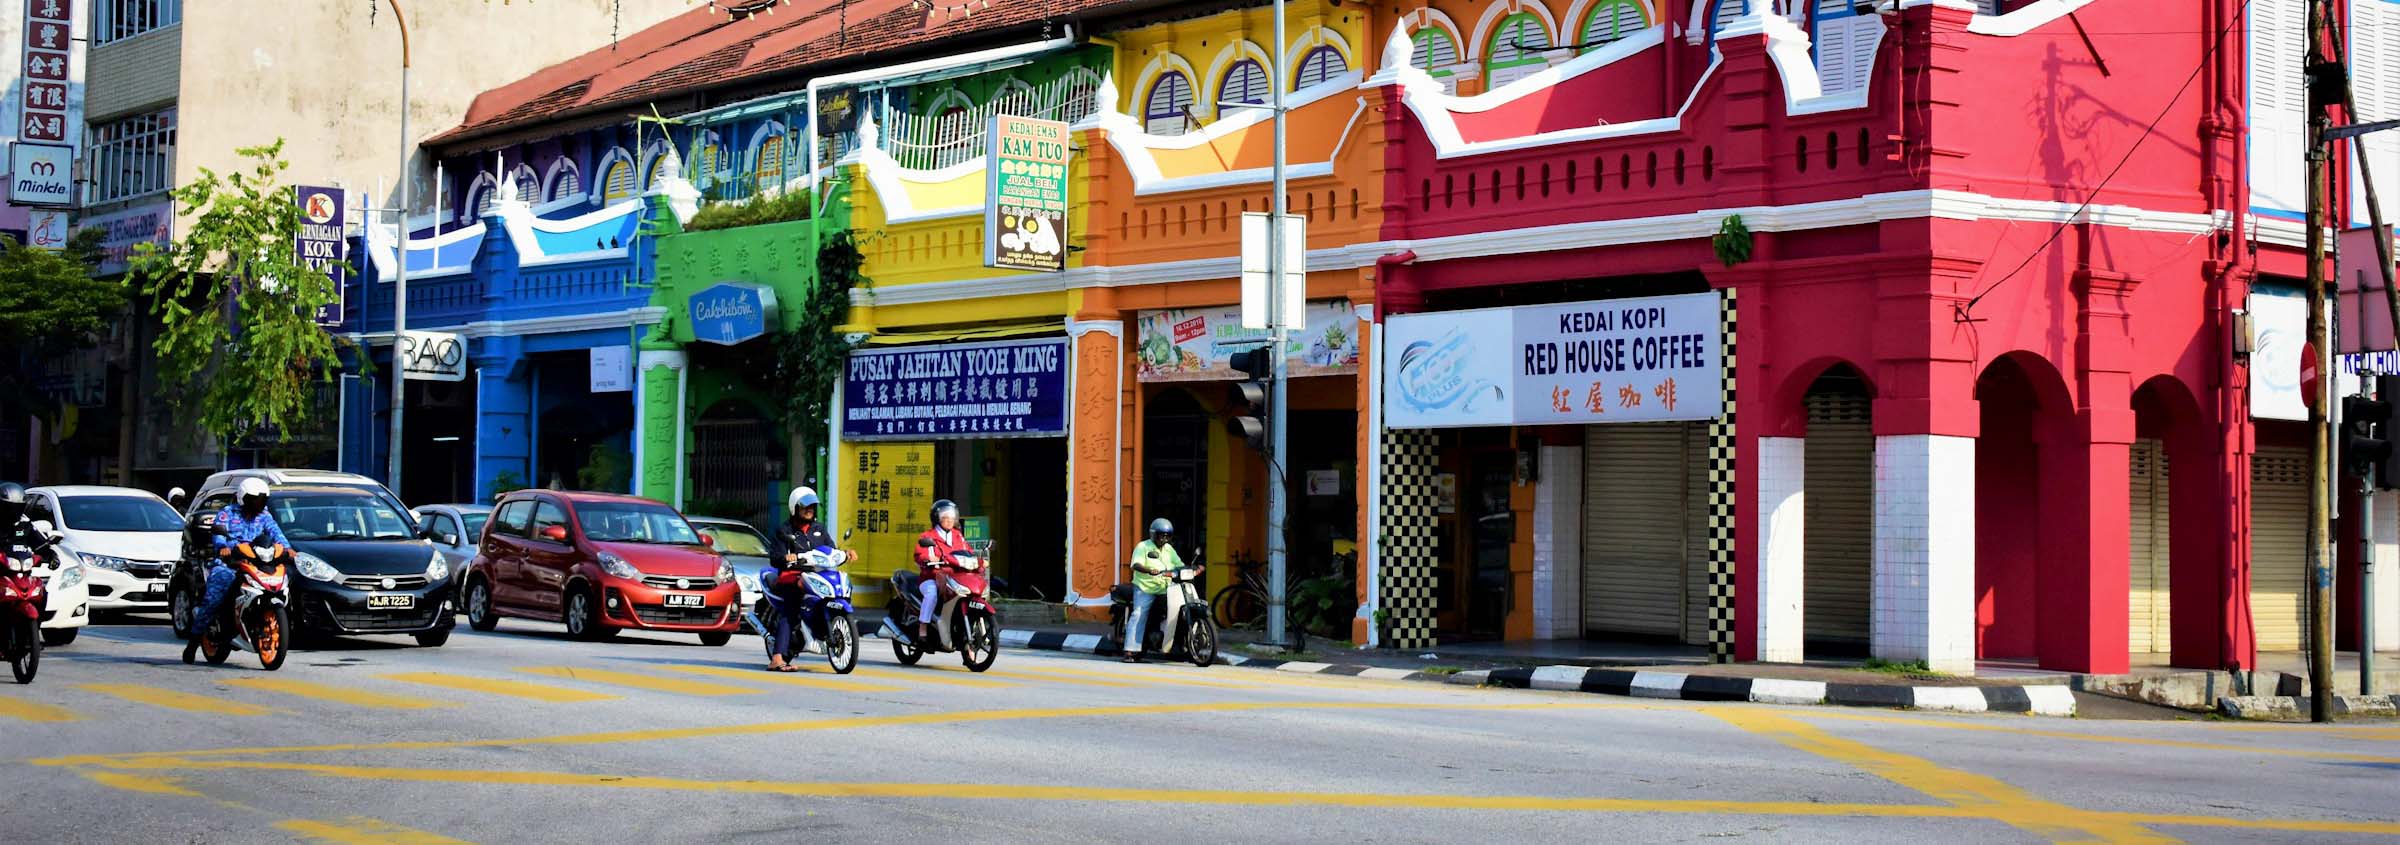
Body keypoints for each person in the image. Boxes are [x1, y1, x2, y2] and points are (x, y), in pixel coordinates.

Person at [186, 478, 289, 661]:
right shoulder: (228, 513)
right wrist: (222, 547)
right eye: (255, 499)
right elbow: (218, 533)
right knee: (214, 598)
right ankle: (193, 643)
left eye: (262, 499)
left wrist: (288, 550)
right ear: (243, 498)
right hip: (229, 563)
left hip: (256, 563)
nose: (259, 503)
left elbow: (276, 534)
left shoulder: (265, 516)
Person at [764, 486, 840, 671]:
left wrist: (844, 553)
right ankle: (777, 657)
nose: (809, 510)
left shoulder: (819, 529)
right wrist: (786, 558)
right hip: (792, 577)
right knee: (790, 610)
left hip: (816, 575)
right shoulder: (785, 530)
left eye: (812, 507)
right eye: (805, 507)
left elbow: (831, 549)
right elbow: (775, 557)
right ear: (794, 508)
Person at [1122, 518, 1183, 663]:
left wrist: (1192, 569)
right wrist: (1149, 570)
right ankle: (1129, 650)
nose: (1164, 538)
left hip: (1165, 588)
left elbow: (1179, 564)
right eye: (1161, 535)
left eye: (1167, 535)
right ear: (1153, 534)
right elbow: (1135, 565)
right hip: (1145, 588)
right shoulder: (1143, 546)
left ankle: (1177, 645)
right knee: (1138, 614)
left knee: (1178, 610)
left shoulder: (1169, 549)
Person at [911, 499, 971, 645]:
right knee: (931, 593)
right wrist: (928, 558)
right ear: (937, 518)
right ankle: (923, 628)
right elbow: (920, 555)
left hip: (954, 577)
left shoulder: (958, 536)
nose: (949, 520)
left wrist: (978, 560)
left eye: (952, 516)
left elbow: (968, 551)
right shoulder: (927, 536)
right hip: (931, 577)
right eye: (945, 516)